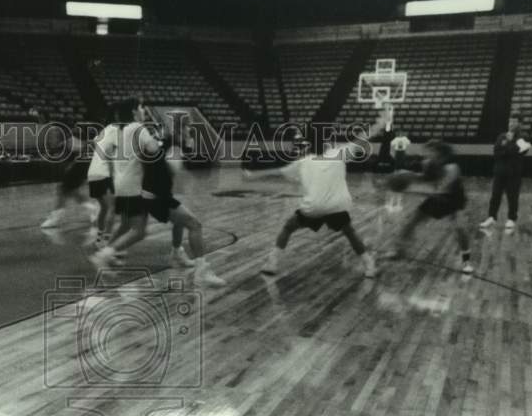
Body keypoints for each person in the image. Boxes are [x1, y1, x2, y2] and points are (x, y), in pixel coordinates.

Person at [246, 112, 388, 280]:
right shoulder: (339, 153)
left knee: (287, 228)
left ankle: (272, 264)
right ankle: (369, 266)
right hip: (337, 206)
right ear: (327, 143)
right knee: (350, 232)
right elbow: (363, 138)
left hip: (313, 208)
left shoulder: (303, 161)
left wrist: (253, 175)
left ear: (309, 144)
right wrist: (380, 124)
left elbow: (276, 171)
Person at [92, 116, 224, 287]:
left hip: (149, 192)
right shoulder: (170, 145)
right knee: (194, 224)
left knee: (142, 226)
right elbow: (167, 168)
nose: (189, 132)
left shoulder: (168, 143)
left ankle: (176, 253)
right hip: (155, 195)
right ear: (179, 129)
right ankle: (201, 272)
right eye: (186, 128)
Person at [390, 141, 473, 274]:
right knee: (410, 222)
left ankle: (466, 261)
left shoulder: (452, 168)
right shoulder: (427, 163)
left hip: (453, 198)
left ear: (440, 153)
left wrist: (407, 190)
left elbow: (438, 190)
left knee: (459, 228)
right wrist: (407, 175)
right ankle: (399, 251)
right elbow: (425, 178)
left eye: (430, 151)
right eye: (426, 151)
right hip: (437, 196)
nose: (426, 154)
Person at [479, 115, 530, 233]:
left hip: (514, 173)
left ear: (520, 124)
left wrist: (506, 147)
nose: (511, 123)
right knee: (495, 196)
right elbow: (496, 152)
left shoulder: (524, 137)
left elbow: (521, 152)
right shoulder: (501, 136)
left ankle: (511, 219)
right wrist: (509, 145)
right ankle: (491, 217)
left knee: (512, 197)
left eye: (514, 121)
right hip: (499, 172)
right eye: (510, 121)